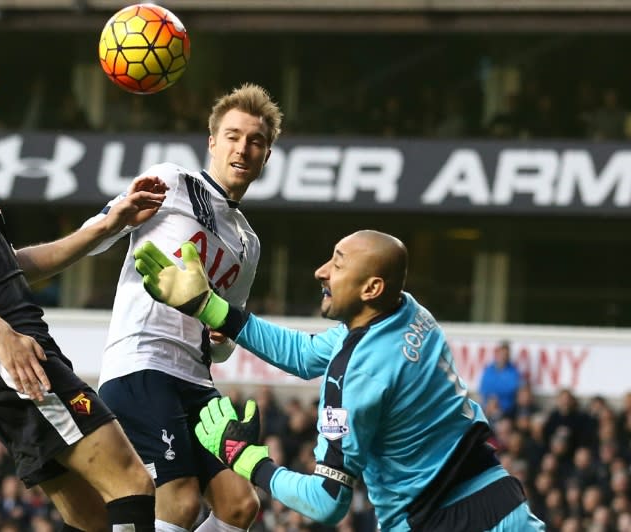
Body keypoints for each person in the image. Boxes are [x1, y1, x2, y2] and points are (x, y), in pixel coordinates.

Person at [0, 51, 167, 531]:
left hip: (2, 362)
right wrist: (2, 334)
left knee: (97, 518)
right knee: (132, 483)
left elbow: (13, 268)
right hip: (14, 357)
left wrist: (108, 225)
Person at [134, 230, 546, 531]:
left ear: (371, 287)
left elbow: (327, 503)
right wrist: (210, 307)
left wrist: (245, 458)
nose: (321, 272)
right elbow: (306, 354)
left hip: (431, 521)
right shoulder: (409, 311)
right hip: (502, 502)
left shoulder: (354, 377)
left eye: (337, 262)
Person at [81, 83, 283, 531]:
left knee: (241, 507)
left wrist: (223, 339)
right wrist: (116, 221)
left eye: (255, 141)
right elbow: (97, 235)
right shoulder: (172, 181)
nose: (242, 148)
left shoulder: (249, 244)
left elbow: (226, 340)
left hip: (196, 377)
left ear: (266, 155)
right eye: (232, 136)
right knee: (181, 501)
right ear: (212, 142)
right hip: (142, 362)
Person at [479, 340, 521, 419]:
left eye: (506, 354)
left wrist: (496, 398)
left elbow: (511, 389)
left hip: (505, 409)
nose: (504, 357)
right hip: (488, 405)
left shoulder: (513, 371)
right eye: (502, 353)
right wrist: (491, 399)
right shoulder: (489, 369)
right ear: (497, 353)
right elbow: (483, 388)